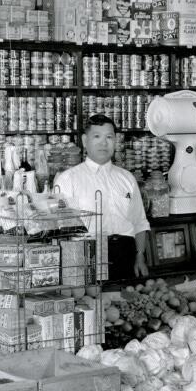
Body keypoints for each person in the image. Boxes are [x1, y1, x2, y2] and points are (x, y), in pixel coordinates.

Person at [53, 114, 150, 281]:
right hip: (86, 254)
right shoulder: (68, 179)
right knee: (94, 304)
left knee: (123, 301)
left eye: (109, 137)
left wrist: (140, 256)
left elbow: (139, 222)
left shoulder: (127, 178)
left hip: (125, 252)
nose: (103, 143)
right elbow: (59, 230)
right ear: (85, 141)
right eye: (96, 136)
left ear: (115, 141)